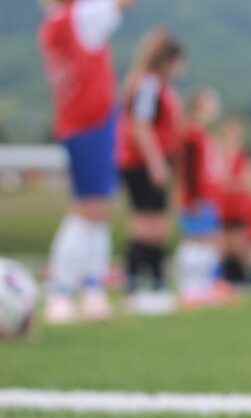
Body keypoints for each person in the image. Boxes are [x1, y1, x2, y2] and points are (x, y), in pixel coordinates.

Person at [39, 0, 136, 324]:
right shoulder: (80, 15)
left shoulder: (56, 22)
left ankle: (91, 289)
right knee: (88, 208)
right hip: (89, 123)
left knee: (98, 208)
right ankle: (62, 291)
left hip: (81, 122)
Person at [118, 30, 185, 314]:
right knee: (147, 226)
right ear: (168, 60)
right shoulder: (148, 85)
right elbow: (141, 126)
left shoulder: (157, 85)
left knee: (157, 227)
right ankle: (136, 285)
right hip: (142, 163)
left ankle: (154, 285)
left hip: (151, 163)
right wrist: (156, 162)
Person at [176, 88, 238, 308]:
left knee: (209, 242)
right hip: (197, 200)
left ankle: (205, 287)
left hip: (208, 199)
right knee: (197, 241)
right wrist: (192, 200)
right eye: (210, 103)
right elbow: (189, 171)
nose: (214, 108)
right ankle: (191, 289)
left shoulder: (202, 135)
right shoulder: (191, 135)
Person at [217, 117, 251, 285]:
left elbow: (248, 182)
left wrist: (230, 184)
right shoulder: (218, 158)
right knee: (227, 249)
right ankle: (231, 281)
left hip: (242, 209)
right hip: (225, 210)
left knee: (250, 247)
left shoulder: (244, 159)